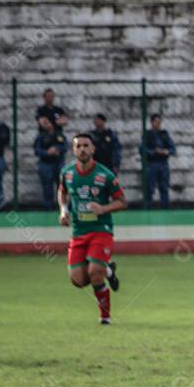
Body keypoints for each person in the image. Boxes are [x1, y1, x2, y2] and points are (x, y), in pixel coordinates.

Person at [57, 134, 126, 324]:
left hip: (100, 229)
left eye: (86, 145)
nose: (82, 149)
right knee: (78, 280)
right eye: (78, 146)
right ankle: (108, 271)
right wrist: (63, 210)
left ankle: (105, 316)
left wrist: (104, 208)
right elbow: (62, 192)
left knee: (95, 272)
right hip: (78, 231)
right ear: (73, 150)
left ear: (93, 149)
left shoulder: (105, 175)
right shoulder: (67, 173)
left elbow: (122, 202)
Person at [141, 114, 175, 208]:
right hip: (151, 164)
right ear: (152, 122)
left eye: (159, 122)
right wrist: (154, 152)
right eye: (156, 121)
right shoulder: (147, 135)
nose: (158, 124)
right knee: (149, 189)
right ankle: (148, 209)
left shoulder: (164, 134)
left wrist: (166, 151)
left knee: (164, 188)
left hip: (163, 164)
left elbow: (172, 149)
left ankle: (165, 209)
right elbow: (142, 149)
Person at [34, 116, 67, 208]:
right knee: (47, 186)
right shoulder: (41, 136)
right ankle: (48, 206)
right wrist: (47, 152)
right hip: (46, 164)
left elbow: (65, 147)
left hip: (58, 162)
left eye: (48, 123)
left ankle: (62, 205)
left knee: (61, 185)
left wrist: (57, 150)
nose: (46, 125)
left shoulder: (59, 135)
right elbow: (37, 150)